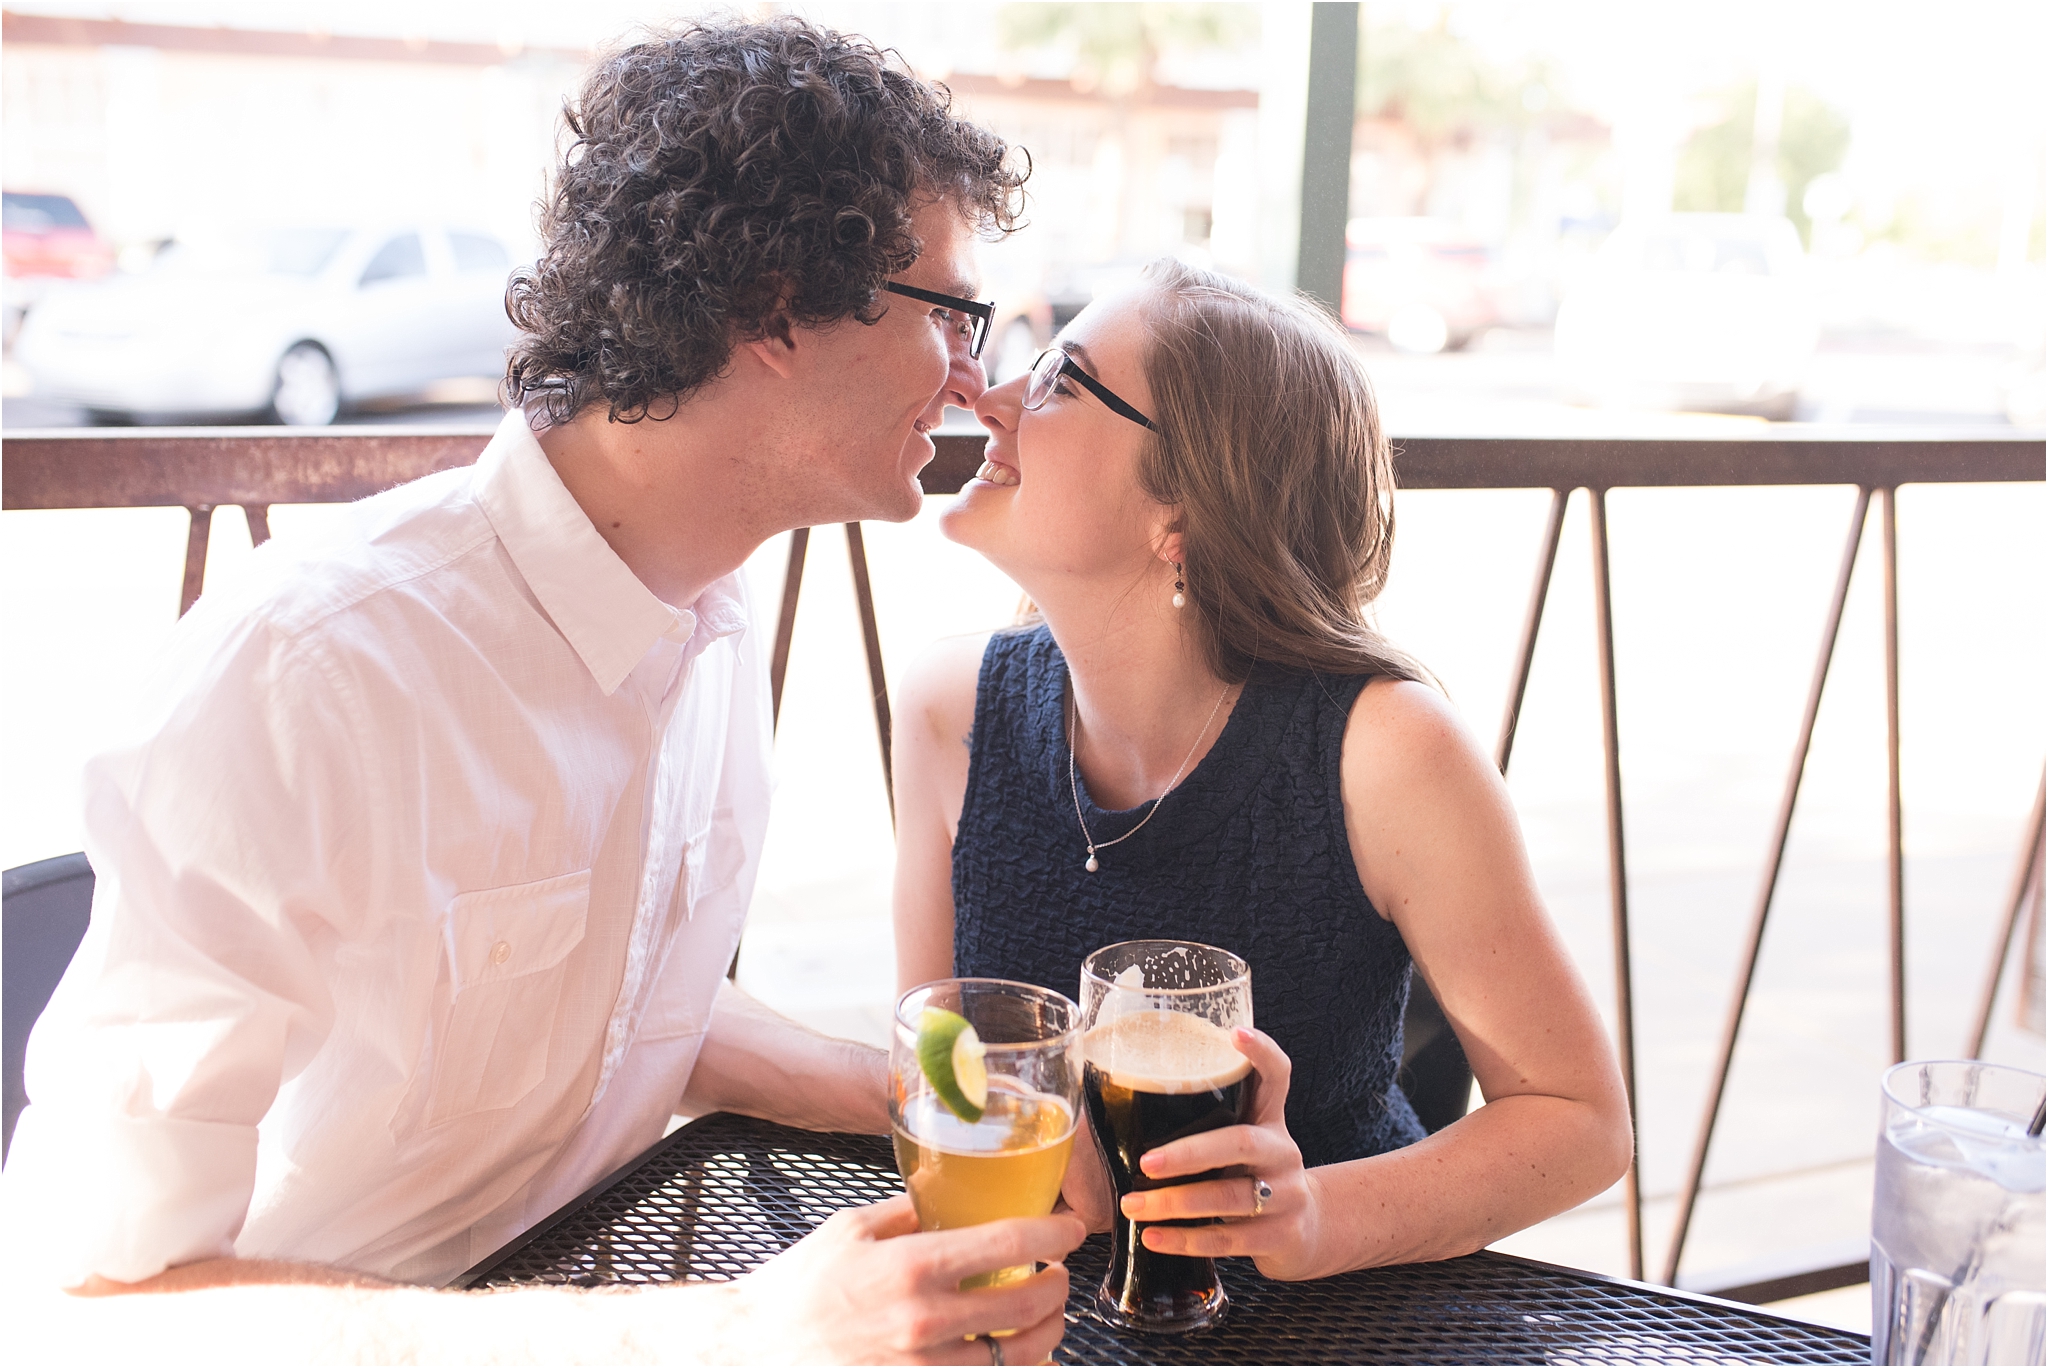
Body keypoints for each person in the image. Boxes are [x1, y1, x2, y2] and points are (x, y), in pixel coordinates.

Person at [3, 18, 1083, 1364]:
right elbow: (77, 1312)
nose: (978, 376)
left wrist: (918, 1100)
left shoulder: (712, 612)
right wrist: (736, 1331)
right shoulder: (309, 678)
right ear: (768, 308)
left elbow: (623, 1001)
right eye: (954, 314)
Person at [891, 259, 1634, 1279]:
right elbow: (946, 1075)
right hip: (1046, 1317)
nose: (994, 395)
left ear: (1183, 511)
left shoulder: (1386, 752)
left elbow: (1577, 1122)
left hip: (1344, 1326)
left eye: (1062, 380)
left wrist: (1315, 1214)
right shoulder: (948, 713)